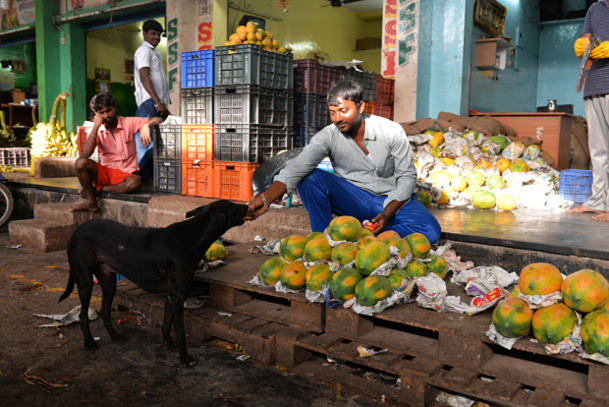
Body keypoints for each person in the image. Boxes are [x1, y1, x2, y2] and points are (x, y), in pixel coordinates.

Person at [247, 81, 442, 244]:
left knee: (431, 232)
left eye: (343, 111)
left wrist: (388, 213)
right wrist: (266, 199)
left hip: (391, 200)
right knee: (310, 178)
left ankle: (361, 236)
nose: (337, 119)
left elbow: (407, 178)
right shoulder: (328, 136)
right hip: (353, 198)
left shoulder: (391, 131)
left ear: (361, 107)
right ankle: (323, 240)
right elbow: (297, 167)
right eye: (332, 113)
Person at [70, 92, 164, 212]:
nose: (106, 115)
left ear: (115, 108)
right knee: (80, 162)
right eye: (101, 113)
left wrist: (146, 125)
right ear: (96, 115)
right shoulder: (97, 130)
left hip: (125, 176)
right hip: (105, 174)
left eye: (108, 110)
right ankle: (92, 202)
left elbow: (159, 119)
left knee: (134, 184)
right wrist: (96, 126)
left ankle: (97, 190)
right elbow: (85, 154)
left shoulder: (128, 122)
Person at [570, 1, 609, 221]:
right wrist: (581, 47)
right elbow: (587, 43)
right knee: (599, 150)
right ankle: (598, 202)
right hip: (594, 84)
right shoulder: (595, 8)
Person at [133, 19, 171, 180]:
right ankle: (138, 178)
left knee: (161, 144)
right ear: (144, 34)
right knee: (149, 146)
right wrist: (157, 102)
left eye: (159, 34)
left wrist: (162, 105)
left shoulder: (155, 52)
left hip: (156, 103)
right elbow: (144, 77)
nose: (156, 37)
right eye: (153, 34)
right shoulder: (143, 51)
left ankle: (149, 179)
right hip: (149, 104)